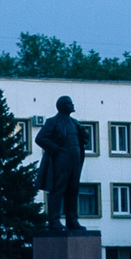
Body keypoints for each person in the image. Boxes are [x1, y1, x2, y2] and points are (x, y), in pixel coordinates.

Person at [35, 97, 87, 231]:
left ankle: (72, 221)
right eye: (70, 103)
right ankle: (54, 221)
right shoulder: (52, 122)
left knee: (73, 189)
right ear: (63, 106)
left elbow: (83, 140)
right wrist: (57, 149)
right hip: (61, 159)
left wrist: (84, 134)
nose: (72, 105)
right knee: (58, 189)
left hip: (75, 158)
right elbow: (40, 138)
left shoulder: (75, 123)